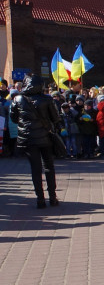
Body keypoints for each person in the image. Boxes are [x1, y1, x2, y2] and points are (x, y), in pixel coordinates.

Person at [9, 75, 61, 208]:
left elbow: (14, 118)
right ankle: (53, 197)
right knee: (49, 167)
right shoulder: (47, 99)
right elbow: (55, 118)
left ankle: (40, 199)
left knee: (35, 169)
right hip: (44, 136)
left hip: (28, 138)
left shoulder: (18, 99)